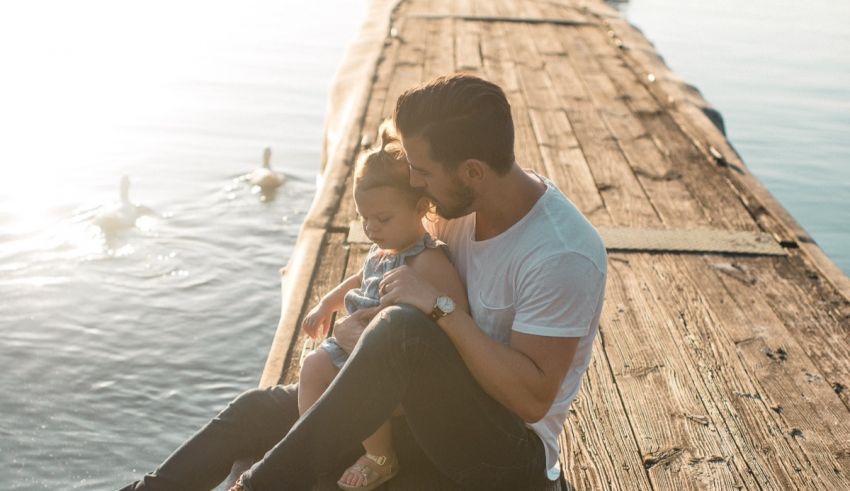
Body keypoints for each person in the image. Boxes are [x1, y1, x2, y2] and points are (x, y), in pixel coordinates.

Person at [121, 73, 607, 491]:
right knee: (255, 412)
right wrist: (357, 328)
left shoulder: (560, 253)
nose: (414, 185)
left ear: (473, 172)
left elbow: (531, 398)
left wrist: (439, 309)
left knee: (400, 331)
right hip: (419, 408)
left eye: (421, 172)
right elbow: (394, 263)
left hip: (506, 454)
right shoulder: (458, 206)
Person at [297, 121, 469, 491]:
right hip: (356, 340)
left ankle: (381, 456)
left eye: (383, 219)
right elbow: (359, 279)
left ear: (421, 207)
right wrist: (327, 304)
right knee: (312, 367)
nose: (371, 229)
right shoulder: (383, 249)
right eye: (364, 219)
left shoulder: (427, 260)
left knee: (359, 385)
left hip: (392, 361)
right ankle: (314, 445)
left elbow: (456, 313)